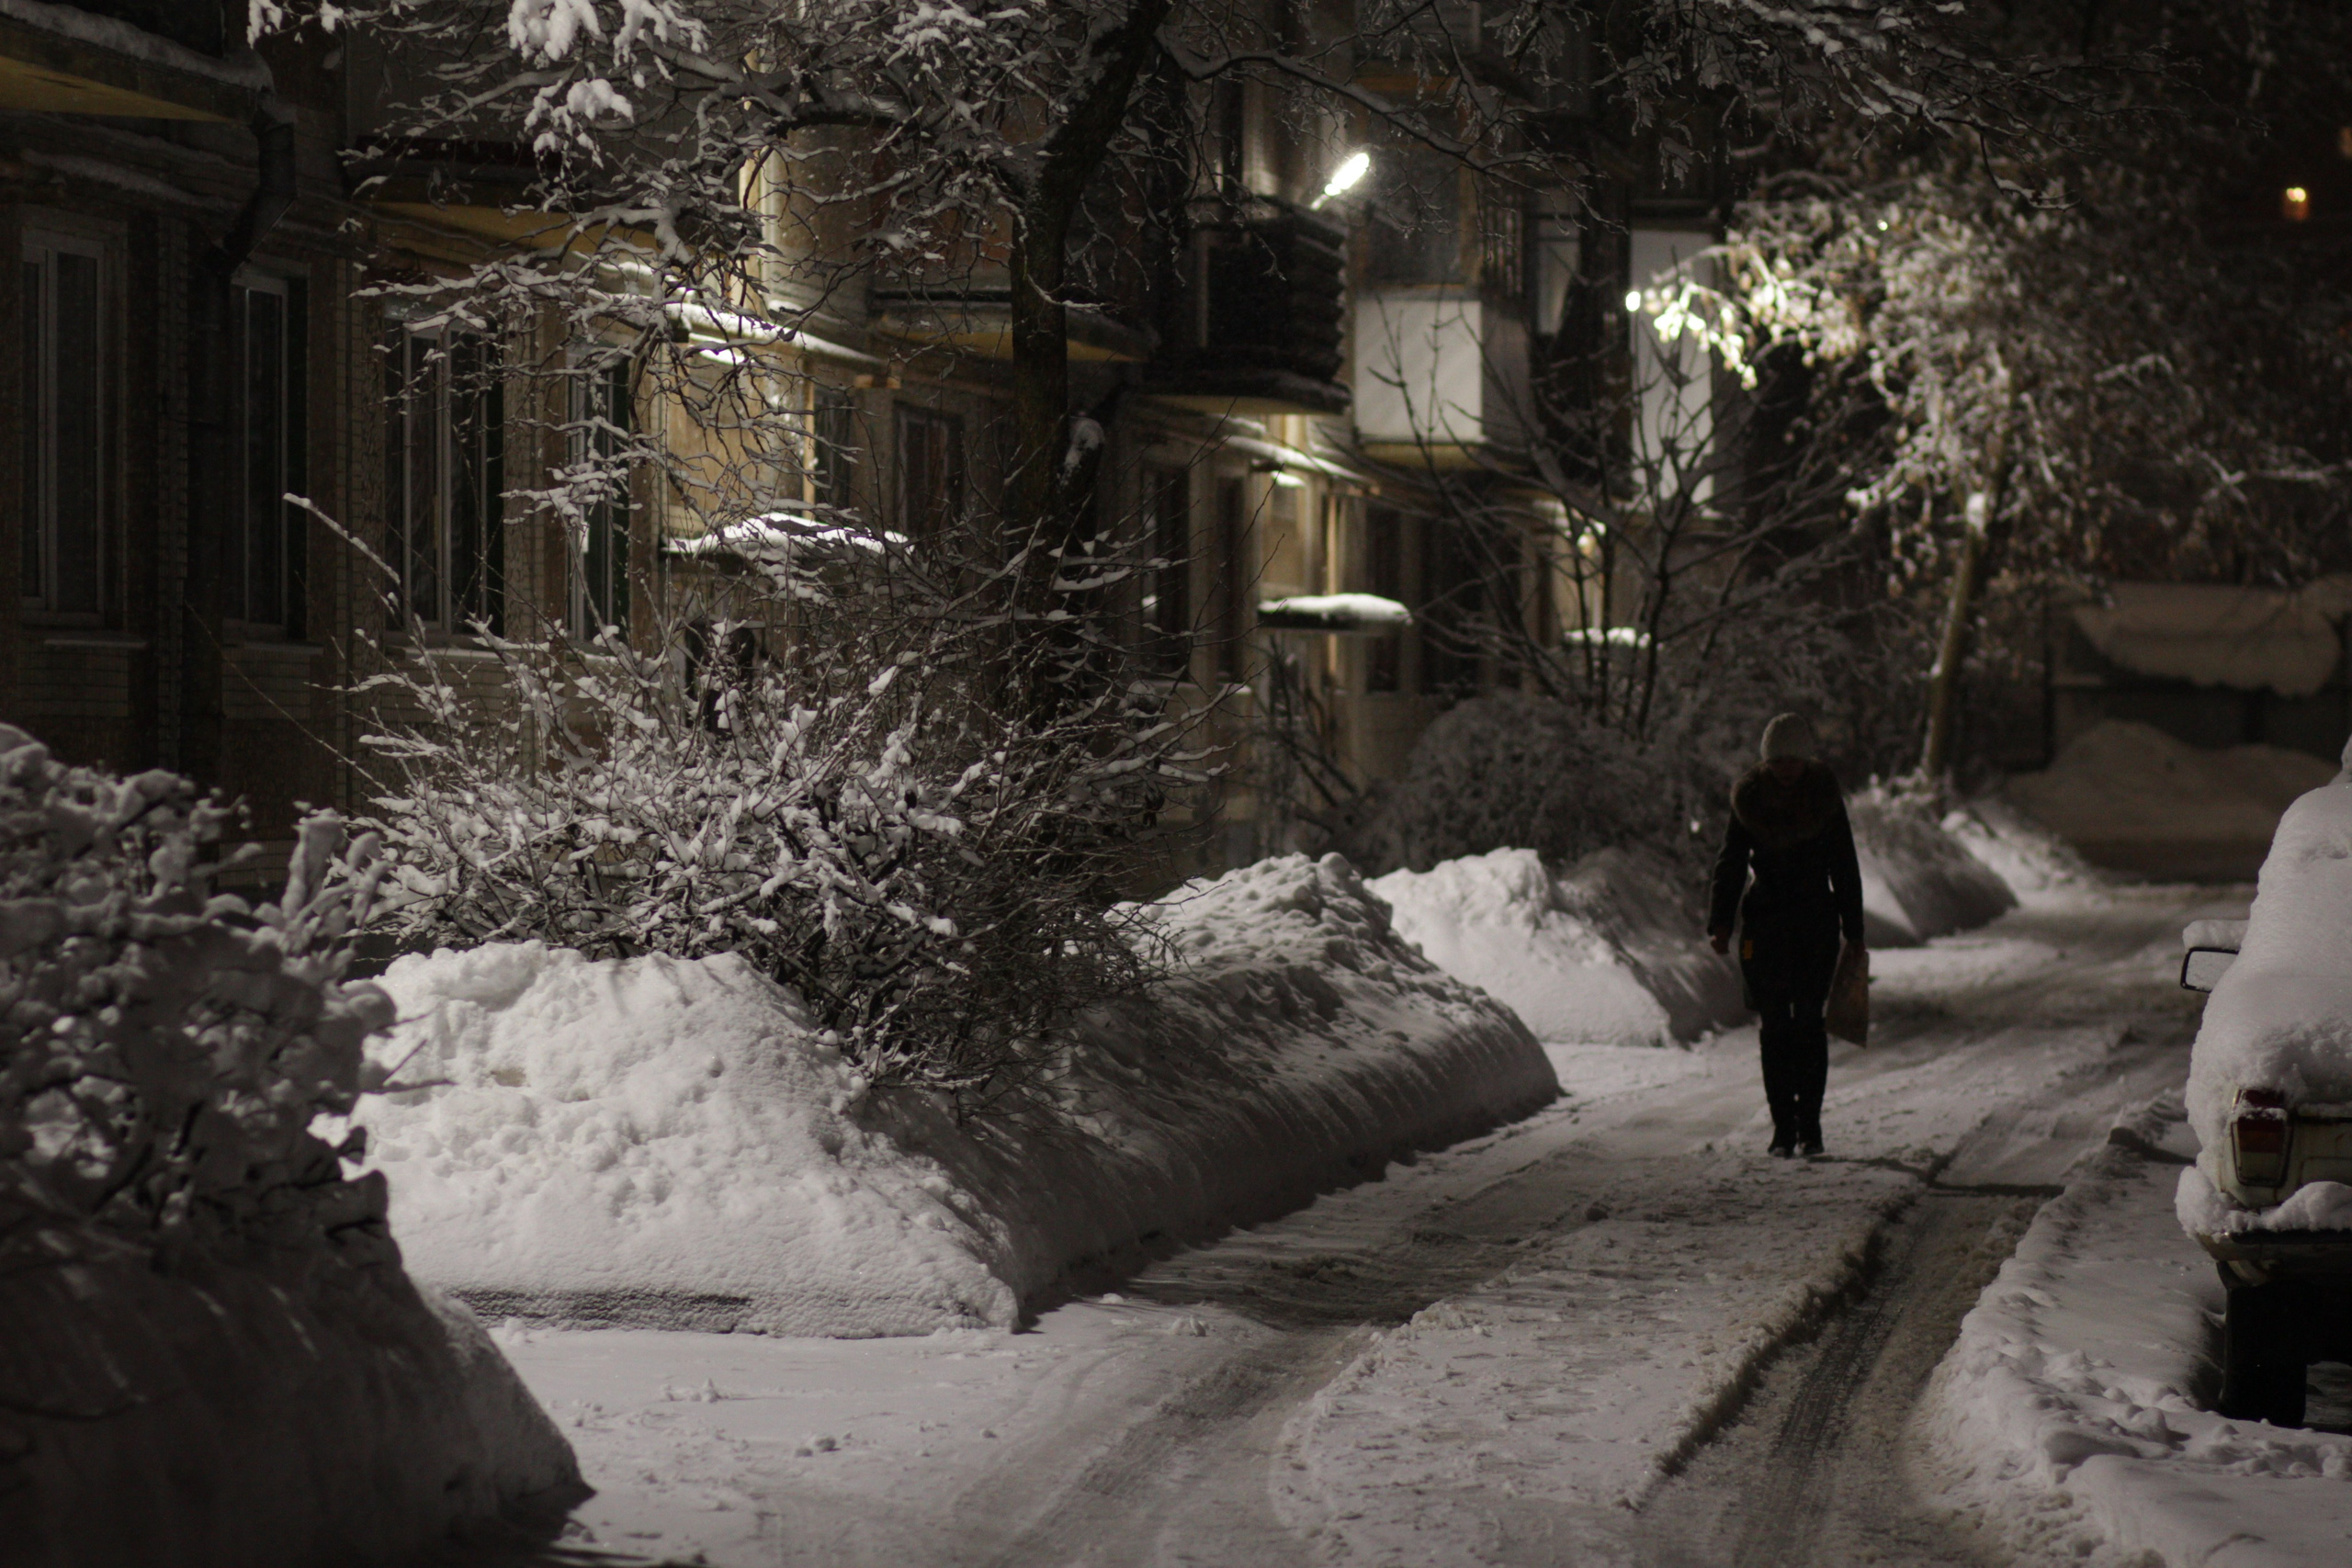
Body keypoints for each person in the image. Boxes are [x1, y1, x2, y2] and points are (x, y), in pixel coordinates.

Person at [1707, 713, 1864, 1158]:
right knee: (1775, 1027)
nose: (1787, 768)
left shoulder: (1824, 799)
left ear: (1807, 759)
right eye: (1779, 761)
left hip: (1815, 923)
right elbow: (1731, 863)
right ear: (1767, 761)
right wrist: (1721, 922)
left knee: (1810, 1025)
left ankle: (1809, 1127)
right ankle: (1783, 1128)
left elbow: (1844, 866)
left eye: (1794, 759)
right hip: (1766, 927)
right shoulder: (1750, 802)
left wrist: (1854, 931)